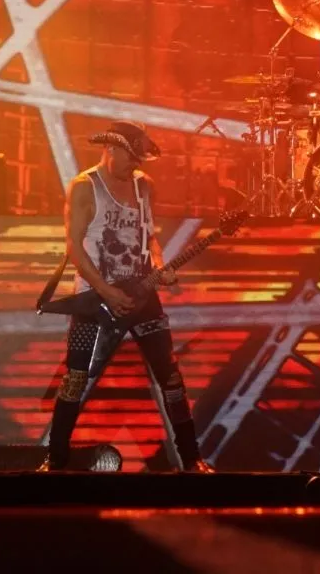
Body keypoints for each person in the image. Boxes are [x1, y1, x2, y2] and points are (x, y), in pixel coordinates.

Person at [40, 121, 213, 472]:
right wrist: (107, 291)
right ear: (111, 149)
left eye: (139, 158)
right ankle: (55, 461)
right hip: (95, 298)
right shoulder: (85, 187)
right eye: (130, 157)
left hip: (142, 293)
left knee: (171, 378)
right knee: (75, 379)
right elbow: (74, 247)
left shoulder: (144, 186)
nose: (135, 164)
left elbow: (150, 237)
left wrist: (160, 267)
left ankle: (192, 459)